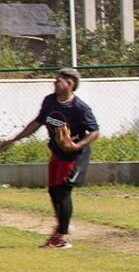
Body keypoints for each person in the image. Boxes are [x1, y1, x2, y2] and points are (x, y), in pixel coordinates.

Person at [0, 67, 100, 249]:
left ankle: (61, 237)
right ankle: (63, 225)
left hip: (75, 156)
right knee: (53, 191)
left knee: (63, 191)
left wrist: (77, 146)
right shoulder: (50, 101)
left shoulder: (79, 108)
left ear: (70, 85)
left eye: (58, 81)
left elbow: (95, 132)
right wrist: (14, 139)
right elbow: (37, 123)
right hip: (57, 153)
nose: (54, 83)